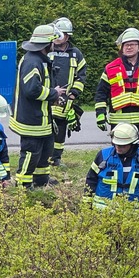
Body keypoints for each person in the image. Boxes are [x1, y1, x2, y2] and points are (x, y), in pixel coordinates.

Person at [10, 24, 66, 189]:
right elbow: (31, 89)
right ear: (47, 43)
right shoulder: (32, 62)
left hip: (42, 120)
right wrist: (53, 94)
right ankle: (23, 184)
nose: (55, 44)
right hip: (31, 121)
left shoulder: (40, 60)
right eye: (53, 42)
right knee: (31, 153)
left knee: (45, 151)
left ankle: (41, 180)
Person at [84, 122, 139, 209]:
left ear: (133, 144)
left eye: (122, 145)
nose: (118, 148)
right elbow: (90, 181)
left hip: (134, 215)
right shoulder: (103, 155)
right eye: (116, 144)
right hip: (103, 213)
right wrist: (86, 208)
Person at [48, 17, 88, 166]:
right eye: (57, 34)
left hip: (67, 99)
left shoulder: (76, 53)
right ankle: (45, 158)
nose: (58, 37)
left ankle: (56, 159)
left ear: (68, 36)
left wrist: (73, 94)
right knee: (47, 128)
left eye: (62, 34)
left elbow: (81, 75)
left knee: (61, 128)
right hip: (48, 96)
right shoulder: (48, 49)